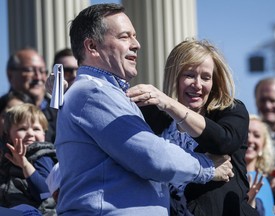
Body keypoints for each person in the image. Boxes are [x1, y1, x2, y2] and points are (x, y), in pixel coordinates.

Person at [54, 3, 234, 216]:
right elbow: (154, 158)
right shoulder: (93, 92)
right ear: (92, 46)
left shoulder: (103, 92)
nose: (136, 44)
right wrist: (208, 166)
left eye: (135, 36)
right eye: (124, 37)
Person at [127, 39, 259, 215]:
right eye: (189, 75)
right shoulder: (153, 115)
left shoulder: (230, 110)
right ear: (174, 76)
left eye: (206, 77)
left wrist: (170, 104)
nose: (197, 85)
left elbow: (223, 142)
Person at [0, 103, 58, 216]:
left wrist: (25, 164)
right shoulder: (6, 160)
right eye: (22, 128)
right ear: (7, 136)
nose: (30, 133)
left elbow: (45, 193)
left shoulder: (42, 156)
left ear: (44, 135)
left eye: (36, 129)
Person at [3, 48, 58, 143]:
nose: (38, 77)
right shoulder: (3, 109)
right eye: (29, 70)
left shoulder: (59, 112)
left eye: (42, 71)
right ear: (10, 74)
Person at [254, 77, 275, 204]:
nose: (268, 106)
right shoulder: (246, 138)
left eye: (272, 100)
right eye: (263, 100)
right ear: (256, 102)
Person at [245, 114, 275, 216]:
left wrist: (252, 204)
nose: (250, 139)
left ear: (262, 147)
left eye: (257, 135)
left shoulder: (262, 182)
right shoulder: (227, 175)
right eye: (246, 133)